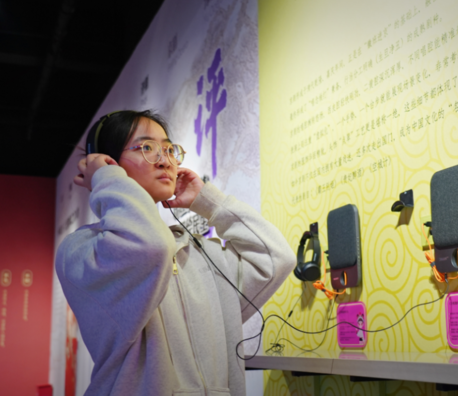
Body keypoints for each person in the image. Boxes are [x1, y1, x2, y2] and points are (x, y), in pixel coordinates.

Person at [56, 110, 294, 396]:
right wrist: (106, 179)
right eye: (147, 148)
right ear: (108, 162)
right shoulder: (83, 250)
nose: (165, 160)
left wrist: (209, 202)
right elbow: (150, 246)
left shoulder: (199, 253)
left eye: (169, 149)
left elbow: (276, 258)